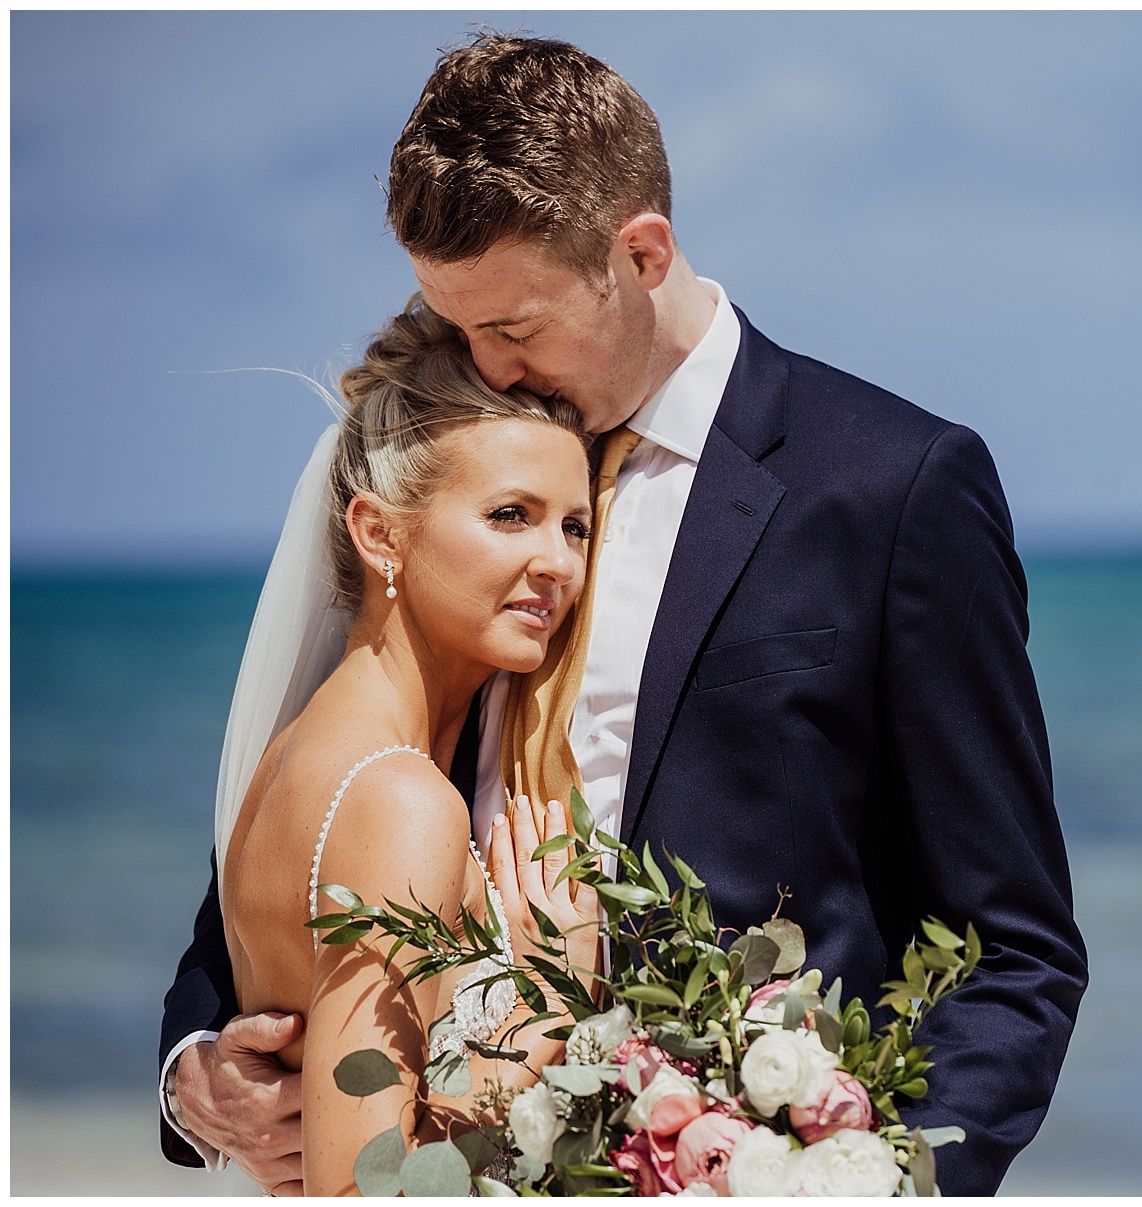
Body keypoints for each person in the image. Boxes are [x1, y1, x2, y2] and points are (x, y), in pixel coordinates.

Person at [161, 32, 1087, 1196]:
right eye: (458, 328)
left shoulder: (894, 487)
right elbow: (326, 802)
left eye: (516, 327)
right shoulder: (457, 484)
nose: (488, 369)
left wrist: (876, 1180)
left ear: (639, 253)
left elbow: (1017, 948)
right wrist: (198, 1061)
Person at [212, 300, 604, 1193]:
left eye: (574, 525)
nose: (559, 563)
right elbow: (362, 1184)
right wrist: (551, 1002)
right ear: (379, 532)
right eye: (512, 514)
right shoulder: (398, 800)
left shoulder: (297, 753)